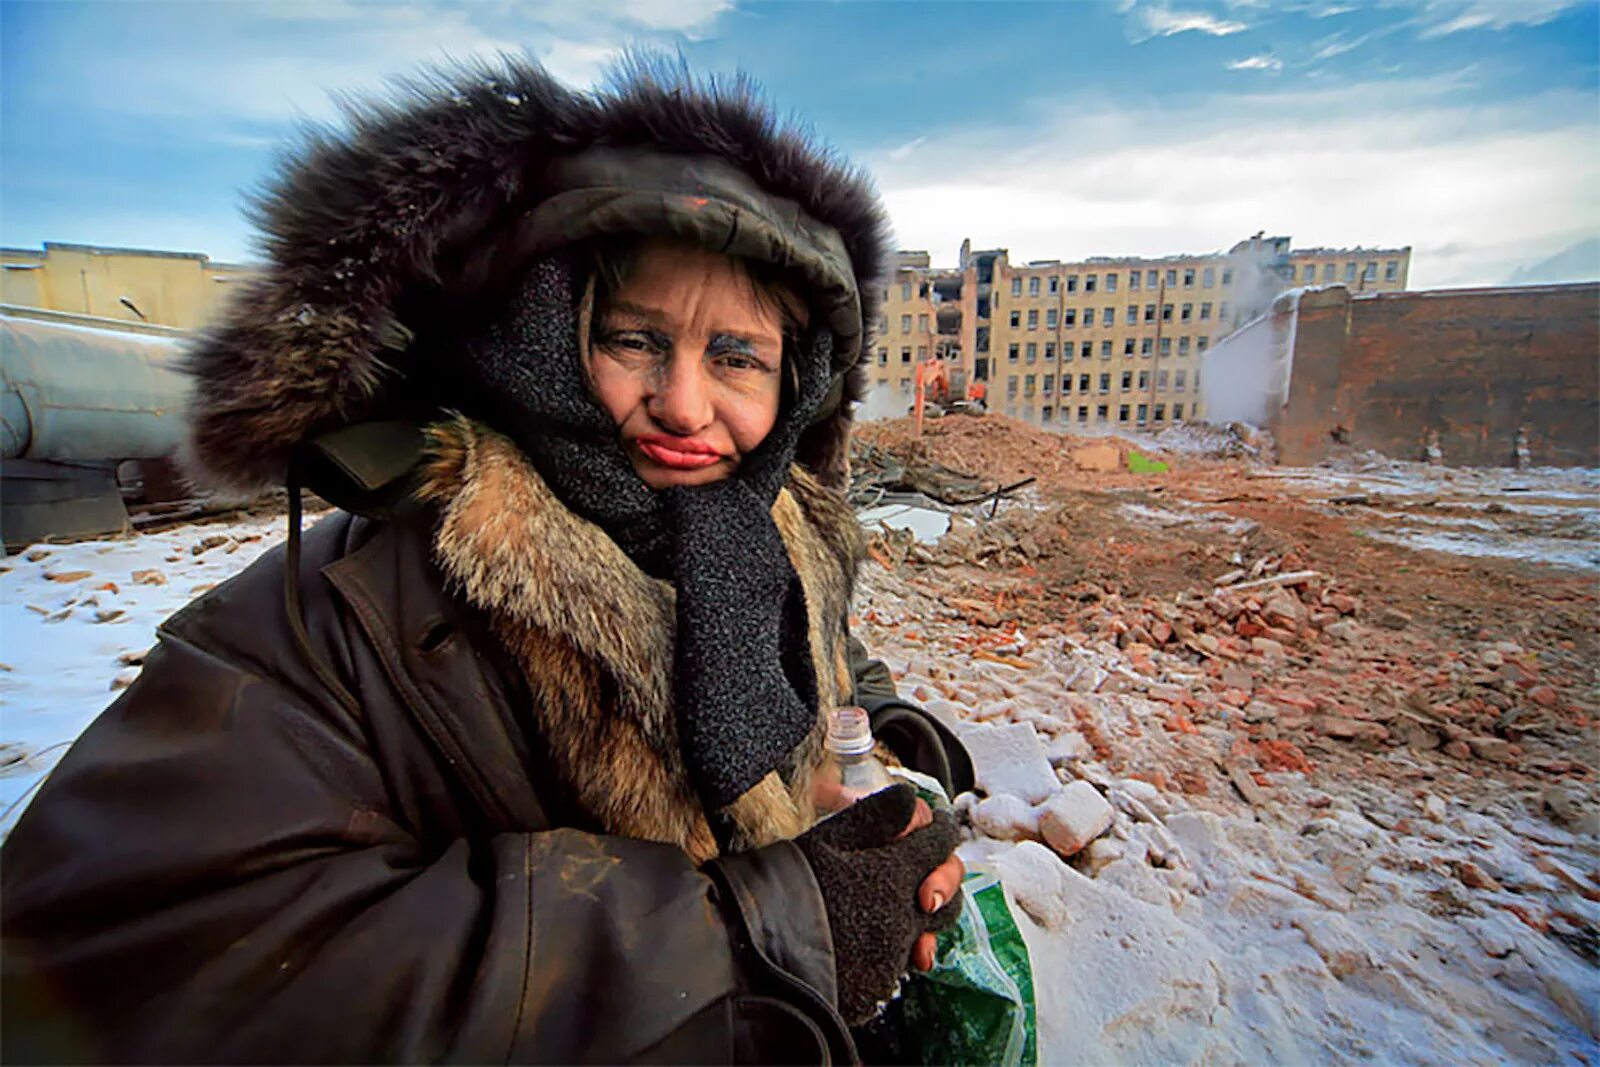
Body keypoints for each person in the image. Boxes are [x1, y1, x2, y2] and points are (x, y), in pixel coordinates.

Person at [0, 58, 974, 1063]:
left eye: (736, 356)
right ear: (544, 341)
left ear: (794, 383)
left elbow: (828, 665)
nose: (686, 407)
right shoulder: (354, 604)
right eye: (635, 339)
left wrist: (890, 754)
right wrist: (757, 936)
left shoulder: (773, 531)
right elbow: (121, 957)